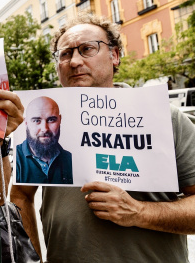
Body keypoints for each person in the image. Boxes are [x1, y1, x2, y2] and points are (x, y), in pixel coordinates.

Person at [10, 13, 195, 262]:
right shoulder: (45, 119)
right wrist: (31, 258)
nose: (74, 61)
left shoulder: (163, 117)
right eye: (65, 54)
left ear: (114, 56)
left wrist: (139, 212)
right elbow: (20, 195)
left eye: (87, 49)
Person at [16, 96, 72, 184]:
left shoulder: (71, 160)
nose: (45, 129)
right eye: (36, 120)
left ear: (60, 120)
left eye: (51, 120)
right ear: (26, 122)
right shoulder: (14, 159)